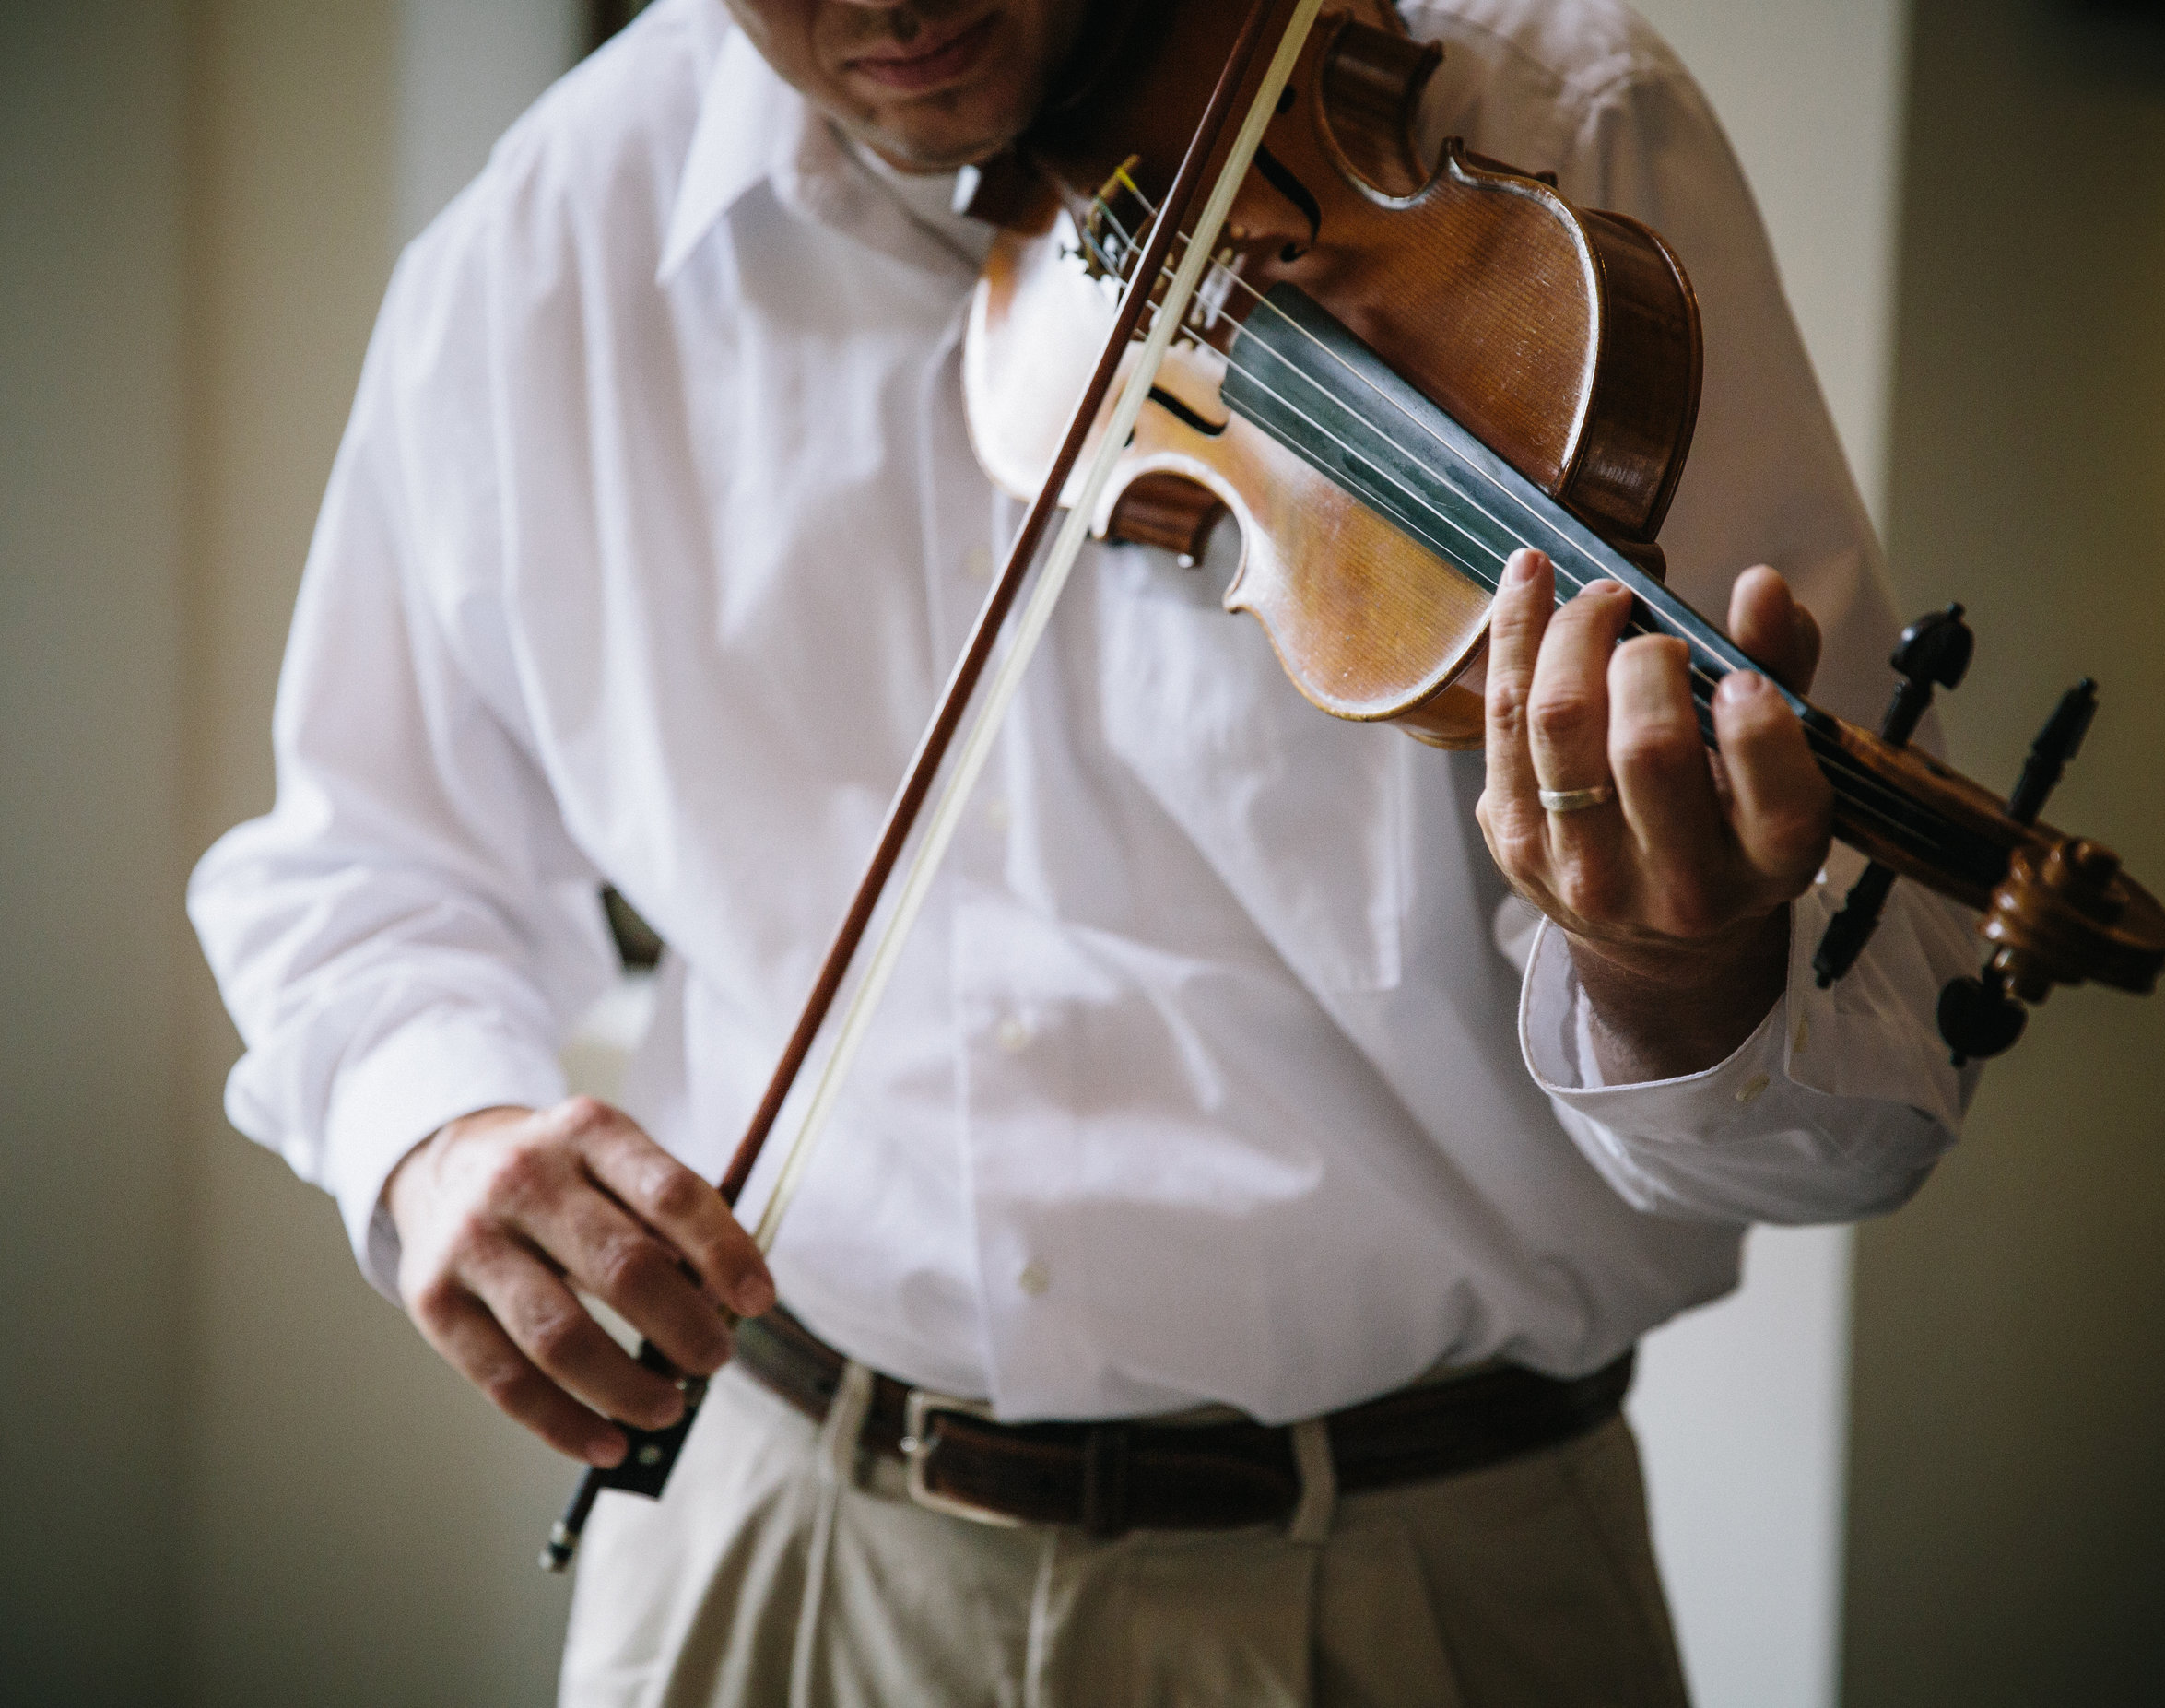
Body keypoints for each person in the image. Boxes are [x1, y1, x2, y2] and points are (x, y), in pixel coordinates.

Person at [190, 1, 1980, 1702]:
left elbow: (1863, 1104)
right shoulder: (552, 239)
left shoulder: (1534, 121)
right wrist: (435, 1135)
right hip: (779, 1560)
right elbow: (362, 870)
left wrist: (1679, 974)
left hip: (1412, 1589)